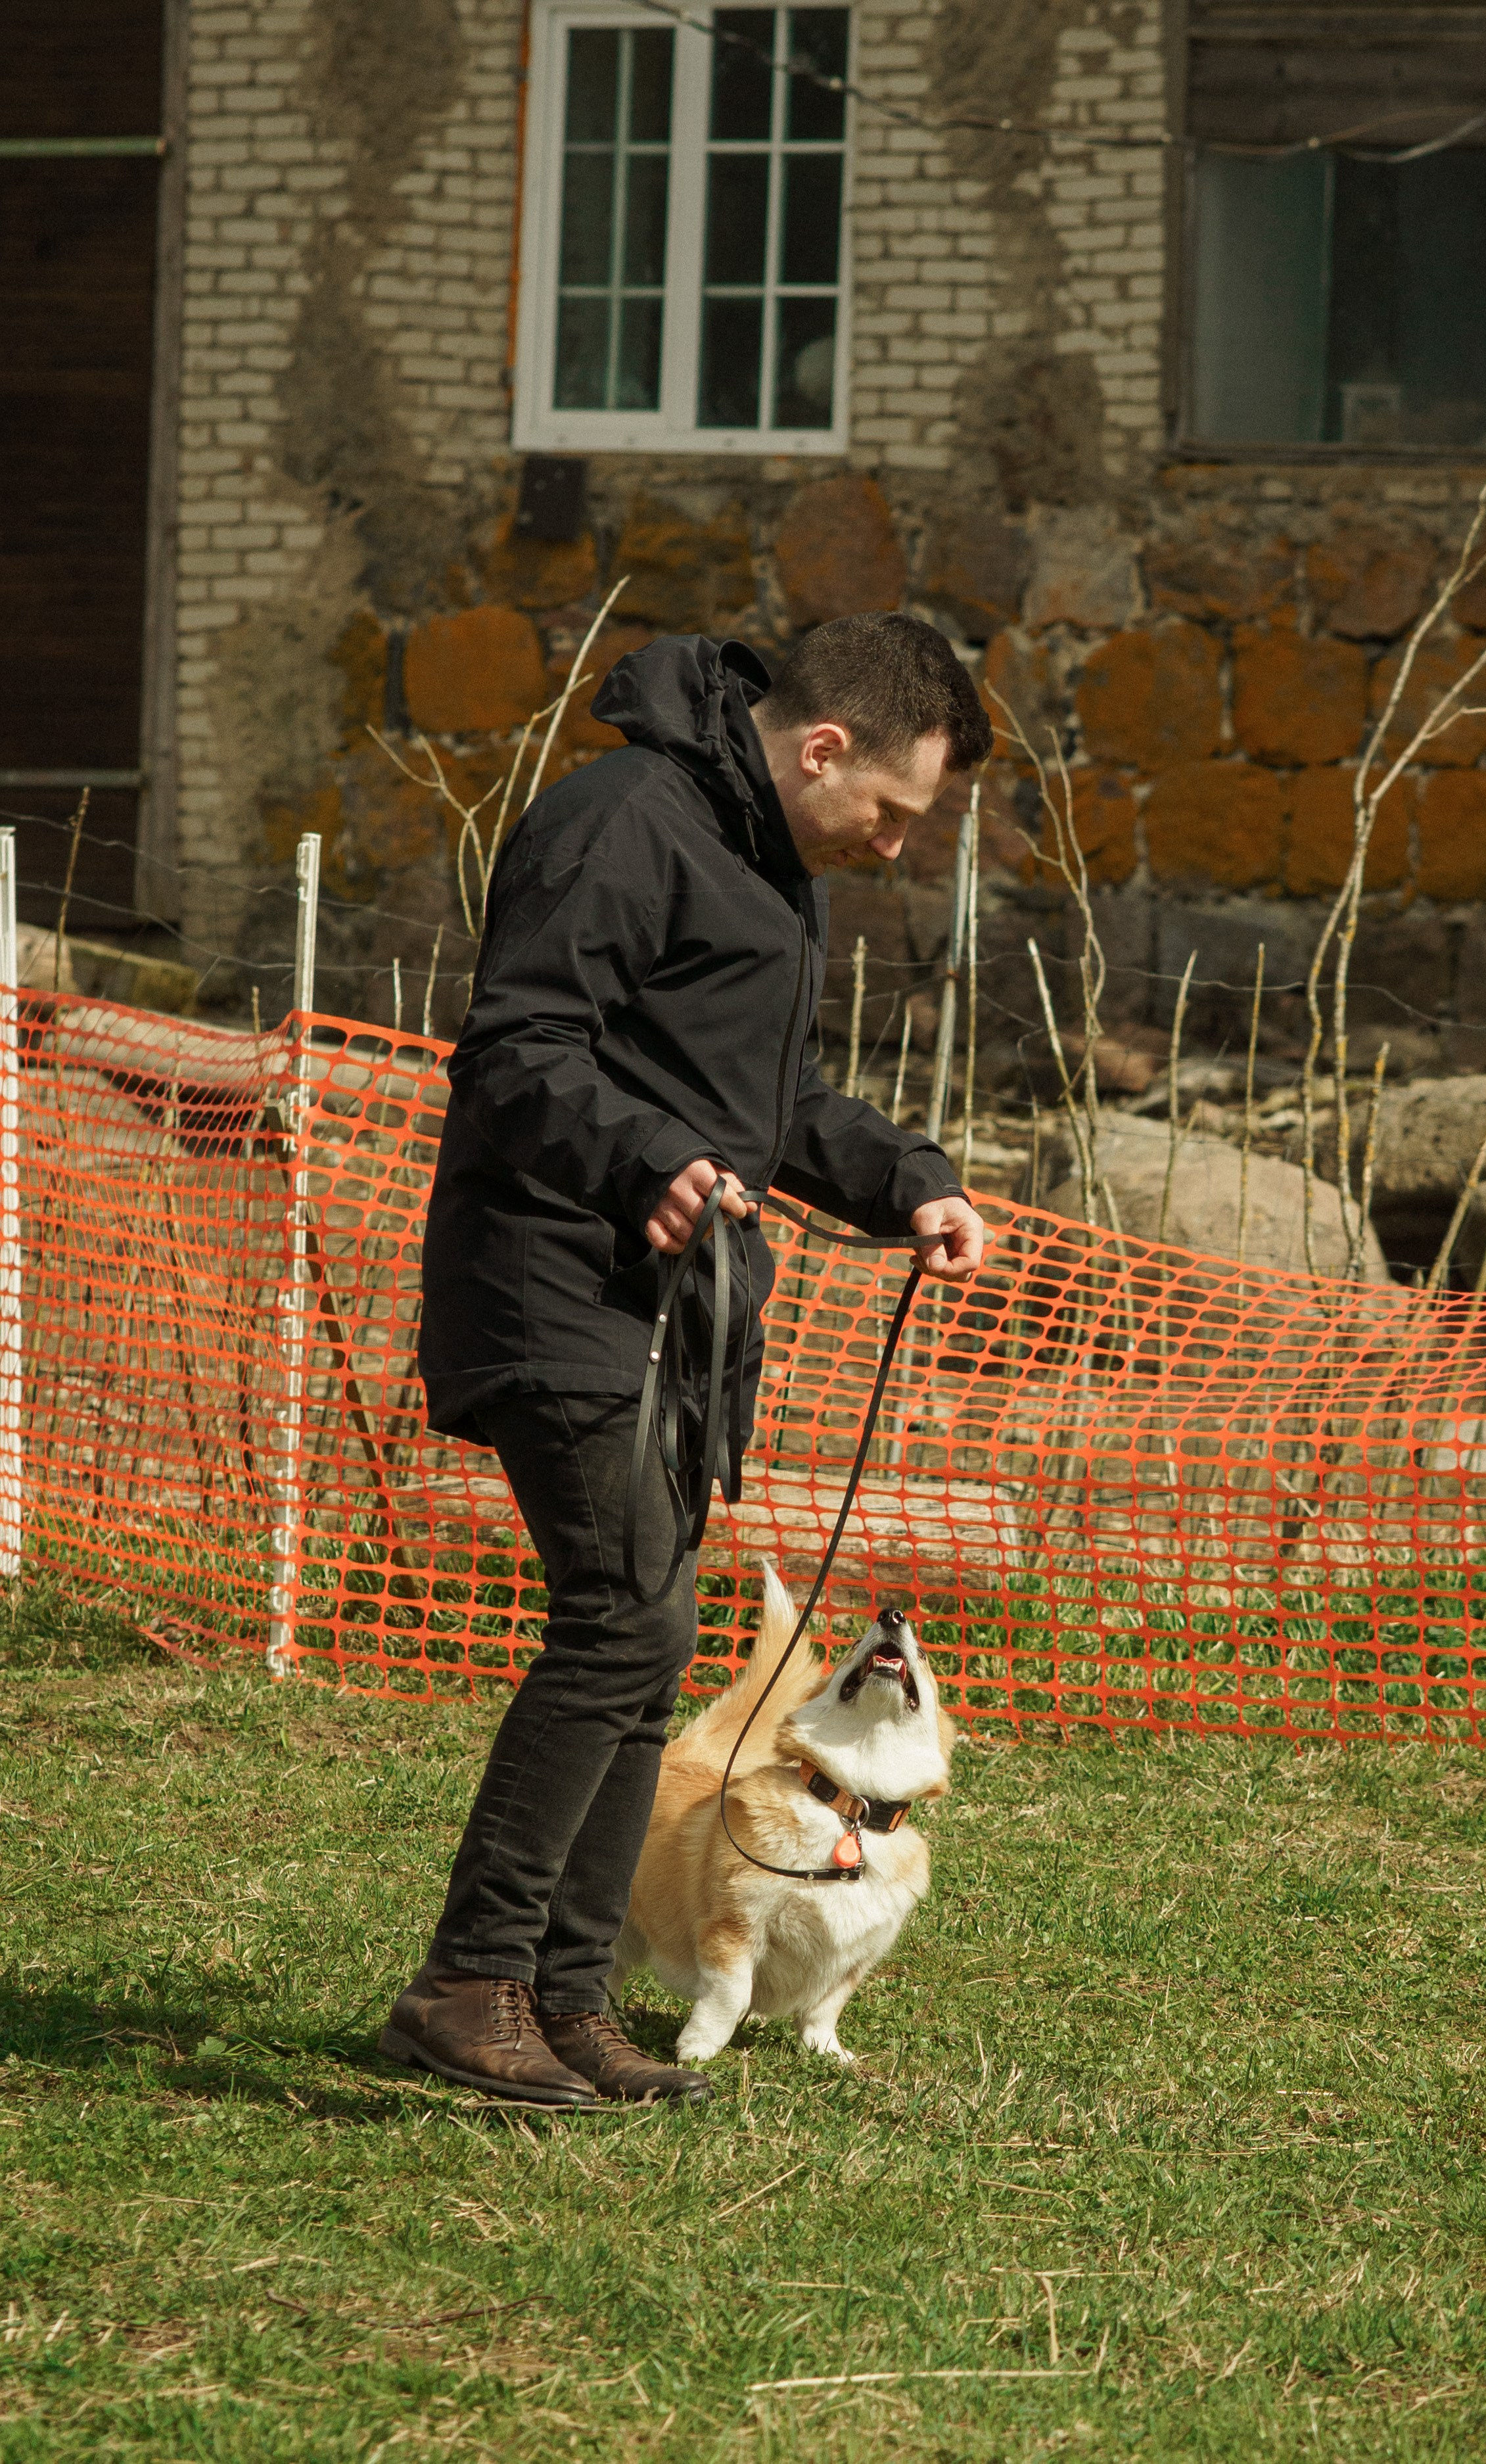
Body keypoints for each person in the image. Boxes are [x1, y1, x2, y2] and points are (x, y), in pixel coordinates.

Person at [379, 614, 994, 2108]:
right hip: (551, 1281)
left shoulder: (769, 862)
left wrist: (904, 1174)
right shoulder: (619, 823)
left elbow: (755, 1105)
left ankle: (566, 2000)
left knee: (640, 1635)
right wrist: (644, 1155)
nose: (898, 847)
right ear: (824, 748)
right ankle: (470, 1986)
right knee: (622, 1624)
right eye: (894, 812)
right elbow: (518, 1050)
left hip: (662, 1307)